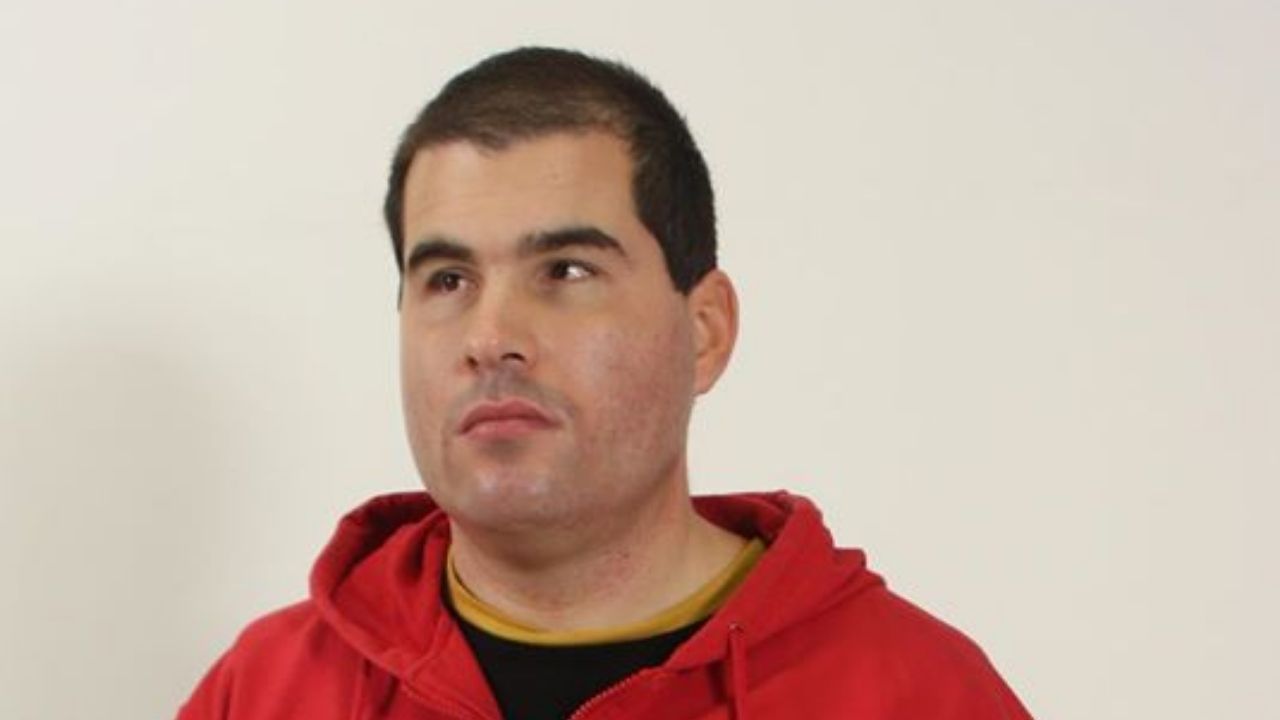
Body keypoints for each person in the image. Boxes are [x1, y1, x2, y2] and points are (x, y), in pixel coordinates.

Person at [177, 47, 1033, 720]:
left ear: (706, 331)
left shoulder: (916, 695)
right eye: (447, 280)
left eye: (566, 270)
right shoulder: (265, 693)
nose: (490, 338)